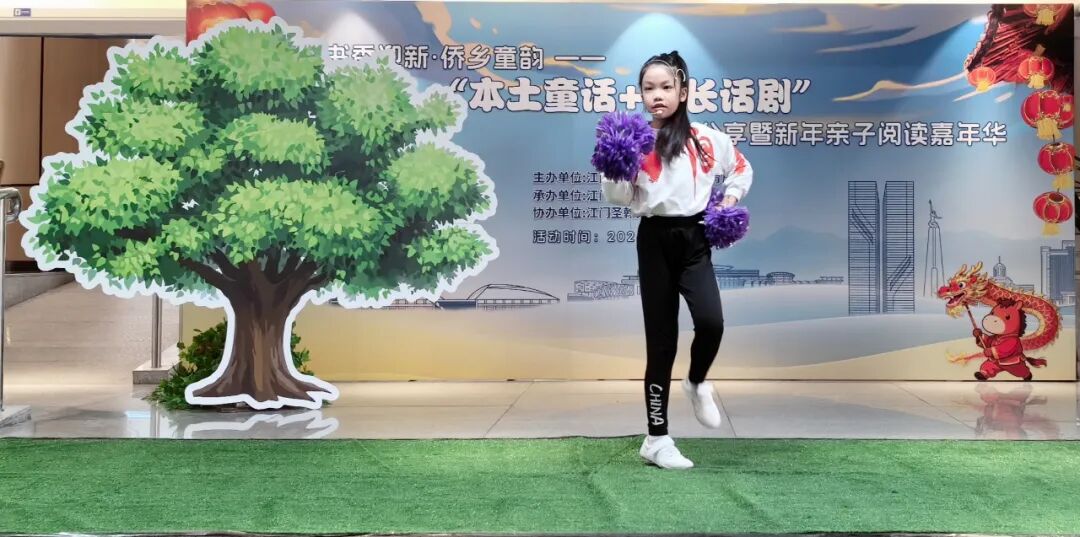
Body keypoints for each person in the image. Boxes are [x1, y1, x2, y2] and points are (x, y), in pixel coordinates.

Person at [601, 51, 753, 469]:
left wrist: (729, 200)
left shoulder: (707, 139)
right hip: (654, 240)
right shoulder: (633, 140)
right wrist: (616, 166)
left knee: (711, 322)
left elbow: (741, 169)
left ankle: (697, 381)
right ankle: (656, 439)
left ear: (683, 92)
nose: (657, 95)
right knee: (661, 343)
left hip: (696, 237)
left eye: (666, 87)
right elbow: (618, 198)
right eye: (648, 88)